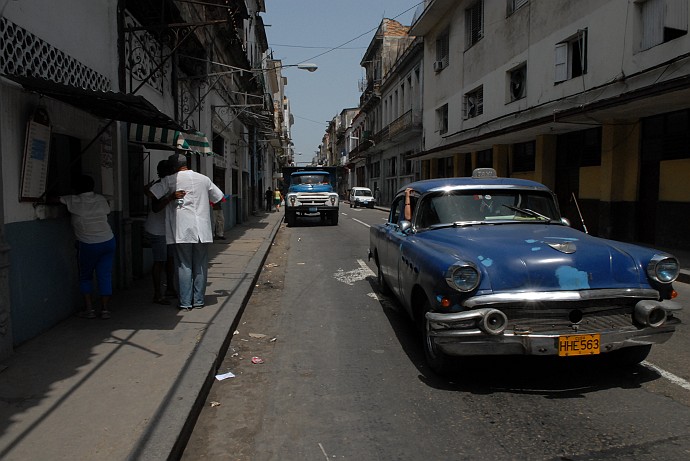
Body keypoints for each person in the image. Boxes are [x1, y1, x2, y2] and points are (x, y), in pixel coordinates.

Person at [149, 153, 224, 311]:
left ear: (173, 166)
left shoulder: (170, 180)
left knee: (184, 265)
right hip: (202, 230)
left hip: (182, 230)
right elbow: (219, 198)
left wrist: (169, 196)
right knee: (201, 265)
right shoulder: (204, 179)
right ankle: (198, 300)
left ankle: (185, 301)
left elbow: (151, 193)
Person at [59, 175, 116, 319]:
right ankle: (105, 310)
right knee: (105, 275)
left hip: (88, 244)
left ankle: (89, 309)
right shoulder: (101, 199)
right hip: (108, 241)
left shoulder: (73, 200)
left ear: (76, 188)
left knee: (85, 276)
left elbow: (53, 199)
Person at [144, 160, 177, 305]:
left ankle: (170, 287)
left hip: (168, 229)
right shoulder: (159, 185)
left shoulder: (168, 184)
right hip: (157, 230)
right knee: (160, 261)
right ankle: (157, 294)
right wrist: (170, 198)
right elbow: (156, 208)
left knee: (170, 259)